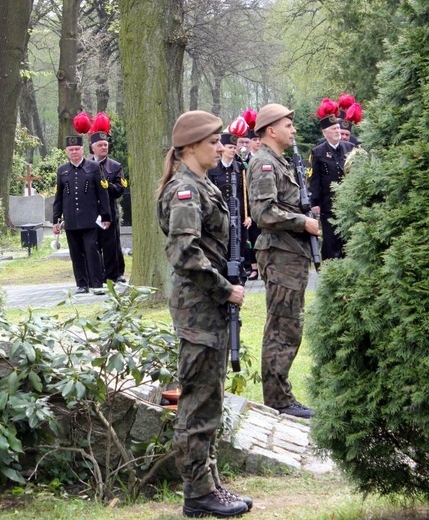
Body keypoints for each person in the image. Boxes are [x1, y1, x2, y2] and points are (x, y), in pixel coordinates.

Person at [157, 110, 252, 518]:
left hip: (207, 308)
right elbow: (184, 253)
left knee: (209, 398)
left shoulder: (201, 185)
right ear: (191, 146)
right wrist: (224, 288)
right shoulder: (185, 190)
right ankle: (197, 494)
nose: (220, 147)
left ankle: (208, 484)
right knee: (198, 403)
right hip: (199, 309)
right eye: (213, 141)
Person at [246, 103, 320, 419]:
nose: (293, 130)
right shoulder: (263, 163)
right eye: (288, 125)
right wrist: (302, 222)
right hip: (279, 252)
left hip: (290, 252)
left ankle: (282, 394)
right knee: (282, 326)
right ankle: (278, 400)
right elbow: (263, 213)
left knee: (289, 324)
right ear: (271, 129)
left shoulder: (281, 162)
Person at [52, 134, 111, 295]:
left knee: (92, 250)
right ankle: (82, 284)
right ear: (66, 151)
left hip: (90, 219)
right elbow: (59, 197)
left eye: (77, 149)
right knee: (76, 253)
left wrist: (106, 216)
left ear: (83, 150)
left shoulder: (93, 167)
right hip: (71, 220)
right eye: (71, 150)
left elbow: (102, 194)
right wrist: (56, 220)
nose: (74, 152)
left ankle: (97, 284)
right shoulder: (62, 170)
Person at [310, 105, 355, 260]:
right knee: (330, 239)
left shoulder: (350, 148)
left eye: (338, 128)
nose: (337, 131)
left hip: (348, 201)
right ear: (325, 132)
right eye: (333, 129)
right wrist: (315, 202)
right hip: (328, 202)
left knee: (347, 238)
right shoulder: (318, 151)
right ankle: (331, 267)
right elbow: (315, 179)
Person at [89, 113, 127, 284]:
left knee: (111, 244)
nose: (104, 147)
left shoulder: (115, 166)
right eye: (100, 145)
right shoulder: (86, 165)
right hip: (91, 211)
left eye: (106, 145)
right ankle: (96, 275)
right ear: (93, 148)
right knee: (92, 244)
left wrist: (107, 186)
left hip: (109, 210)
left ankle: (114, 274)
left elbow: (120, 189)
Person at [206, 131, 251, 277]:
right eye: (229, 147)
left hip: (238, 214)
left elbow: (245, 193)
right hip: (220, 214)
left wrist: (248, 215)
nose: (232, 150)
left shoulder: (240, 168)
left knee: (239, 243)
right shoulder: (212, 169)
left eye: (234, 147)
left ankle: (240, 272)